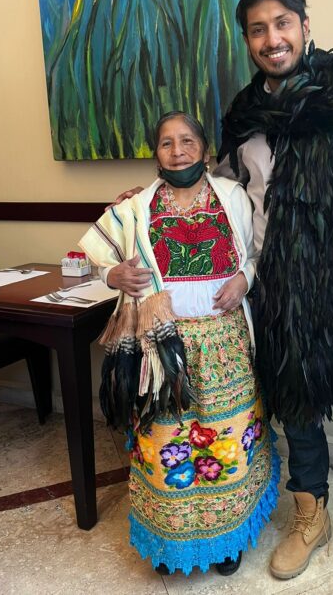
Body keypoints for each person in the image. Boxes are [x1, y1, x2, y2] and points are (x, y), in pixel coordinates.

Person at [110, 0, 333, 594]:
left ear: (305, 27)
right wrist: (144, 200)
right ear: (248, 40)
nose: (271, 38)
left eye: (282, 23)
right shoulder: (245, 119)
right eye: (257, 29)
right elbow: (221, 198)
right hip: (277, 294)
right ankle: (310, 514)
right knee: (296, 412)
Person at [79, 111, 279, 577]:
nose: (177, 150)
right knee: (164, 443)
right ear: (156, 154)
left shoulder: (231, 196)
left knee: (225, 441)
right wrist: (113, 274)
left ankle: (226, 538)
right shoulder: (135, 207)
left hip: (224, 343)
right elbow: (93, 255)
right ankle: (170, 541)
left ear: (205, 150)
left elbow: (257, 255)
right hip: (162, 352)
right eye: (166, 143)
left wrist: (244, 281)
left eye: (187, 140)